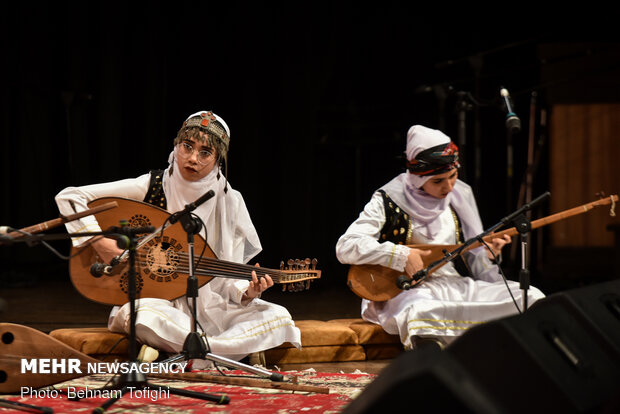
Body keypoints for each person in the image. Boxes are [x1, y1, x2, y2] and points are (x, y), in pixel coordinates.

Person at [55, 110, 301, 366]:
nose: (193, 158)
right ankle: (225, 352)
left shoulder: (231, 202)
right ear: (177, 145)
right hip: (157, 301)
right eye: (187, 146)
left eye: (205, 152)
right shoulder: (152, 185)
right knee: (143, 315)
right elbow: (70, 197)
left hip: (213, 307)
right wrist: (98, 242)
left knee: (278, 317)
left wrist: (248, 292)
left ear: (219, 159)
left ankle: (188, 350)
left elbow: (227, 279)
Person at [335, 124, 545, 350]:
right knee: (421, 312)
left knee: (529, 296)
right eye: (438, 181)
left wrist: (487, 254)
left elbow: (476, 262)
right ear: (417, 177)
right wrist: (399, 255)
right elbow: (346, 246)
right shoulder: (389, 198)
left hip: (454, 284)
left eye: (453, 176)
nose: (448, 187)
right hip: (410, 291)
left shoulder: (460, 195)